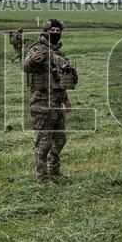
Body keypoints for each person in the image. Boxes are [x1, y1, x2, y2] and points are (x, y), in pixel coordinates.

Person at [23, 19, 77, 183]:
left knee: (60, 140)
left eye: (58, 30)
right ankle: (42, 177)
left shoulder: (58, 53)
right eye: (52, 30)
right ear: (45, 30)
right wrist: (32, 61)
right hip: (42, 102)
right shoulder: (36, 49)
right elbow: (26, 66)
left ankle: (53, 171)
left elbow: (59, 80)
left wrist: (66, 99)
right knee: (44, 142)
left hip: (57, 102)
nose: (55, 32)